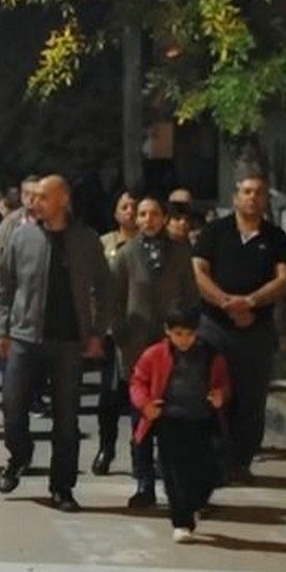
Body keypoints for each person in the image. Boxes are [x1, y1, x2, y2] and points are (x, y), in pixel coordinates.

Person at [0, 175, 112, 512]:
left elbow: (105, 286)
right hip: (25, 338)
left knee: (65, 418)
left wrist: (98, 331)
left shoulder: (86, 240)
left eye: (43, 197)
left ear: (62, 199)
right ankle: (19, 455)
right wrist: (1, 330)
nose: (35, 202)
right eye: (34, 197)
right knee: (13, 408)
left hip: (69, 341)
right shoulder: (22, 237)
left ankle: (62, 487)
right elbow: (4, 286)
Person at [192, 169, 286, 483]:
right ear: (235, 197)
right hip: (215, 326)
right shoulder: (215, 232)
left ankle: (241, 461)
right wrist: (226, 302)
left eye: (259, 192)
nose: (253, 197)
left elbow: (283, 278)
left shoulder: (277, 238)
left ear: (266, 200)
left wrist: (250, 303)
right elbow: (198, 270)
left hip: (256, 328)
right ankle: (210, 458)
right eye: (247, 192)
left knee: (251, 399)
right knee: (212, 394)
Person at [104, 196, 198, 507]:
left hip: (173, 345)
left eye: (154, 213)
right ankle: (143, 481)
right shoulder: (127, 254)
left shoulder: (180, 252)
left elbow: (190, 294)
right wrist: (119, 331)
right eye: (142, 214)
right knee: (141, 417)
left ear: (164, 217)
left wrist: (187, 330)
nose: (148, 219)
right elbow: (112, 298)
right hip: (136, 347)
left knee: (174, 417)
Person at [129, 308, 231, 543]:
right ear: (167, 332)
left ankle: (195, 503)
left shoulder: (210, 354)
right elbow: (138, 381)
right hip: (169, 420)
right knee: (174, 474)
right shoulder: (154, 355)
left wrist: (220, 395)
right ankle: (181, 520)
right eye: (178, 333)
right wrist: (145, 405)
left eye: (189, 333)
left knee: (210, 470)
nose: (184, 339)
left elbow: (223, 382)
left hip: (203, 419)